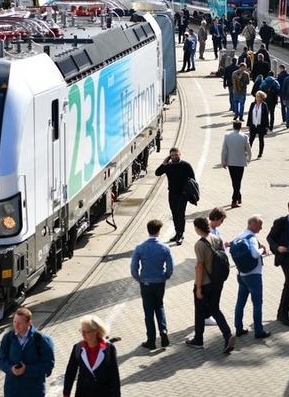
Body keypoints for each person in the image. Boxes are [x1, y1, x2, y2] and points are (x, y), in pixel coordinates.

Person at [185, 216, 236, 353]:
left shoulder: (200, 245)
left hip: (205, 283)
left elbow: (199, 266)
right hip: (218, 281)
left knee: (199, 311)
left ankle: (198, 340)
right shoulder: (216, 238)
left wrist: (198, 287)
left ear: (197, 228)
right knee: (215, 309)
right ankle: (227, 335)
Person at [130, 219, 174, 350]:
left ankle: (151, 340)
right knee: (159, 306)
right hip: (159, 282)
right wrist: (165, 276)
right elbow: (170, 268)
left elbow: (133, 268)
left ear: (148, 230)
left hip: (146, 283)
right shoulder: (165, 248)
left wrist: (139, 278)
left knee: (148, 311)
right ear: (159, 231)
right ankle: (163, 331)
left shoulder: (140, 247)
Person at [0, 308, 55, 397]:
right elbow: (1, 360)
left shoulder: (42, 339)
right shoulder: (8, 338)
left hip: (33, 391)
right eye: (14, 322)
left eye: (19, 323)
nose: (16, 325)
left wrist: (26, 370)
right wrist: (11, 368)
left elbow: (48, 365)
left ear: (29, 323)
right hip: (12, 391)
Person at [232, 216, 270, 339]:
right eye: (260, 225)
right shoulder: (251, 238)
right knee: (257, 303)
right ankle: (259, 330)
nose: (261, 228)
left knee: (240, 303)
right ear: (252, 225)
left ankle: (238, 328)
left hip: (241, 275)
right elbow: (254, 254)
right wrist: (261, 250)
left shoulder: (239, 236)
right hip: (254, 275)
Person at [63, 315, 120, 397]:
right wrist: (66, 393)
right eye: (82, 331)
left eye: (86, 332)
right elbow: (70, 372)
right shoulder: (78, 348)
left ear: (95, 331)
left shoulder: (109, 348)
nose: (83, 334)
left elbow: (114, 375)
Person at [154, 147, 195, 245]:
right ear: (170, 156)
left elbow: (193, 179)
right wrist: (164, 164)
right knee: (174, 214)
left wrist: (188, 193)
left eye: (176, 155)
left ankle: (180, 234)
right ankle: (177, 233)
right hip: (172, 194)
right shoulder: (168, 166)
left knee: (180, 214)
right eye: (172, 155)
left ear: (180, 154)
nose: (174, 157)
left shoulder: (186, 165)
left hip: (183, 195)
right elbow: (157, 173)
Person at [221, 120, 252, 208]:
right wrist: (249, 159)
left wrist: (223, 161)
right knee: (238, 181)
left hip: (231, 162)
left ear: (233, 126)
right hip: (240, 163)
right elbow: (248, 149)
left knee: (234, 181)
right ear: (240, 127)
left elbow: (224, 150)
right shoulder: (244, 137)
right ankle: (234, 200)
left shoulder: (227, 136)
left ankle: (238, 196)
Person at [247, 91, 269, 159]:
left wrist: (267, 126)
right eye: (256, 96)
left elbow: (266, 116)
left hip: (261, 125)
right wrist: (248, 124)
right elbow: (250, 114)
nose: (256, 97)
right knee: (250, 140)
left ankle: (260, 154)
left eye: (258, 96)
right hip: (253, 124)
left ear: (261, 98)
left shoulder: (264, 105)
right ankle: (247, 153)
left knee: (261, 140)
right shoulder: (252, 104)